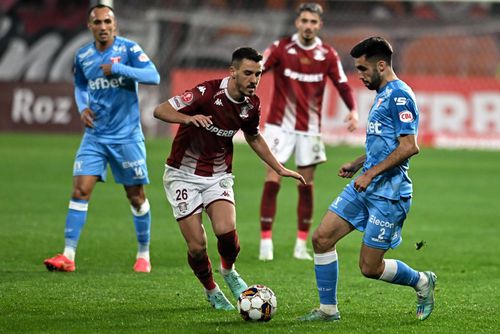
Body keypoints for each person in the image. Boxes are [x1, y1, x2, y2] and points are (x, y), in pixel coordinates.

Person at [153, 47, 305, 310]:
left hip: (218, 175)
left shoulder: (252, 104)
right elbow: (160, 110)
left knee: (226, 232)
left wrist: (279, 167)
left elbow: (254, 137)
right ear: (233, 72)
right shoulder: (207, 92)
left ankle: (229, 271)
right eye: (248, 73)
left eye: (258, 74)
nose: (253, 80)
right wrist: (189, 119)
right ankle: (211, 290)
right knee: (198, 246)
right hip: (182, 176)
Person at [298, 36, 436, 322]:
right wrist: (359, 163)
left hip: (389, 195)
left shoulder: (400, 96)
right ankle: (328, 310)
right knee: (322, 238)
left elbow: (410, 146)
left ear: (382, 65)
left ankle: (422, 281)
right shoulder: (382, 94)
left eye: (362, 69)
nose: (358, 75)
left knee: (369, 268)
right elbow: (386, 144)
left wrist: (370, 172)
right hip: (364, 186)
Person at [43, 4, 160, 273]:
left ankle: (143, 254)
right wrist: (82, 107)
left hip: (126, 137)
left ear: (115, 25)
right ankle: (68, 255)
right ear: (90, 26)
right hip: (95, 137)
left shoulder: (129, 49)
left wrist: (121, 71)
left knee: (136, 197)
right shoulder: (83, 55)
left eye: (108, 21)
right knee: (80, 190)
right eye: (97, 22)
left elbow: (153, 76)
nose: (103, 27)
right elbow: (81, 85)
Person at [258, 2, 358, 261]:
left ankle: (300, 244)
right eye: (304, 21)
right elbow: (257, 70)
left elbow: (342, 83)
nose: (308, 26)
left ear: (319, 25)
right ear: (297, 23)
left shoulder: (327, 54)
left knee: (306, 184)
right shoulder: (281, 48)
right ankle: (265, 241)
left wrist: (353, 110)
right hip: (279, 126)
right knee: (273, 178)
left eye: (313, 22)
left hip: (310, 130)